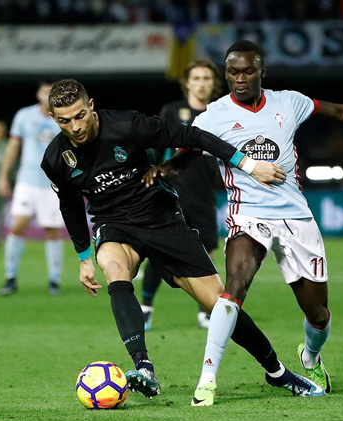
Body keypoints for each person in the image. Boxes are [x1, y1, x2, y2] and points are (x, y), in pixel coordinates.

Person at [143, 40, 343, 405]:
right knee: (232, 289)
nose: (239, 78)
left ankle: (311, 357)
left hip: (295, 217)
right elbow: (183, 158)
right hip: (247, 214)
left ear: (261, 72)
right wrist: (162, 171)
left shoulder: (288, 102)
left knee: (318, 313)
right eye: (232, 72)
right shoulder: (213, 116)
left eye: (247, 71)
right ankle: (207, 380)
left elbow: (342, 112)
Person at [41, 78, 325, 403]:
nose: (75, 127)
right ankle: (143, 367)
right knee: (114, 268)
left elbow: (194, 136)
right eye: (65, 121)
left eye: (79, 116)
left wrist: (248, 165)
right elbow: (71, 205)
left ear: (91, 106)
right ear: (54, 118)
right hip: (114, 224)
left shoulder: (129, 125)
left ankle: (277, 372)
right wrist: (82, 256)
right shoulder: (55, 159)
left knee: (219, 303)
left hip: (160, 217)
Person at [142, 59, 222, 331]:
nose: (201, 83)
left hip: (204, 195)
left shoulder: (219, 112)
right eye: (196, 78)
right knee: (161, 250)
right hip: (172, 192)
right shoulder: (172, 111)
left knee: (206, 253)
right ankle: (146, 308)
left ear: (214, 84)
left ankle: (205, 311)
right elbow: (154, 146)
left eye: (207, 79)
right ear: (187, 82)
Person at [0, 81, 64, 296]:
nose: (48, 95)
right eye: (45, 91)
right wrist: (3, 177)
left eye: (52, 92)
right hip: (27, 180)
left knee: (53, 231)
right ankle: (10, 277)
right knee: (17, 225)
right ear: (38, 94)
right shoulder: (24, 116)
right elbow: (13, 147)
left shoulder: (64, 117)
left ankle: (54, 280)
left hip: (53, 184)